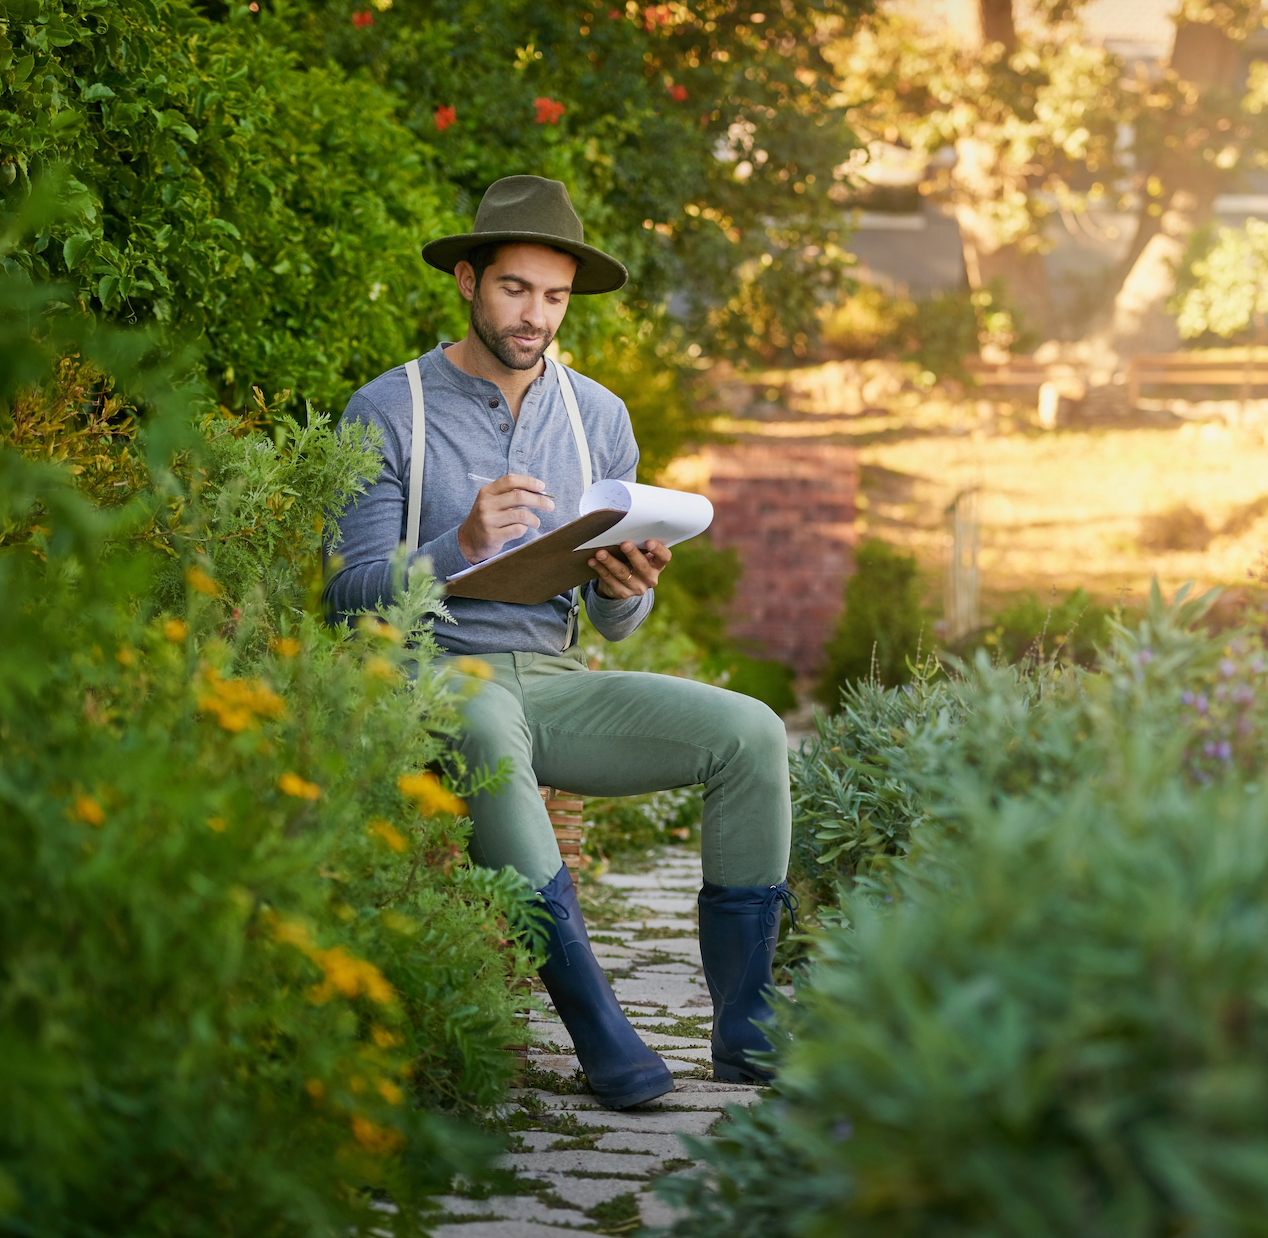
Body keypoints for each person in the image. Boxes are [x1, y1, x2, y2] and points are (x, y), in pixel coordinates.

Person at [324, 175, 795, 1109]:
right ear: (467, 280)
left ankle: (746, 1027)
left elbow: (615, 623)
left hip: (554, 674)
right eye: (514, 289)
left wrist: (630, 588)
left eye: (554, 297)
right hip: (436, 674)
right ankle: (597, 1028)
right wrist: (456, 546)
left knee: (752, 733)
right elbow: (348, 599)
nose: (535, 315)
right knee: (493, 740)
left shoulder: (597, 417)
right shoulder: (389, 408)